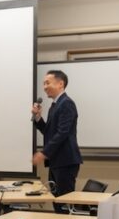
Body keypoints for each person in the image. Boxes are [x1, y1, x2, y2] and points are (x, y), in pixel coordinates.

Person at [32, 69, 83, 197]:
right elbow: (49, 132)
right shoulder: (55, 105)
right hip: (57, 161)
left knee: (64, 202)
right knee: (57, 200)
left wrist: (43, 153)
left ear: (60, 84)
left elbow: (62, 133)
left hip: (65, 161)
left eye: (47, 83)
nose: (44, 87)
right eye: (43, 84)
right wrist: (38, 117)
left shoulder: (66, 103)